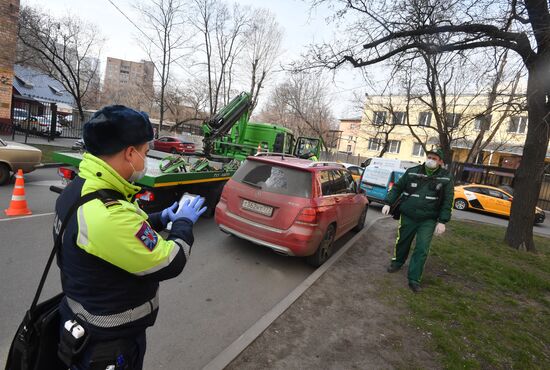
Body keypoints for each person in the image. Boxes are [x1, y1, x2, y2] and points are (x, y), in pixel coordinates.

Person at [54, 105, 207, 369]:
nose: (145, 161)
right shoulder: (108, 213)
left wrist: (160, 218)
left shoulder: (80, 189)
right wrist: (183, 222)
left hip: (81, 320)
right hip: (107, 341)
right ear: (130, 153)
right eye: (145, 153)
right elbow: (170, 261)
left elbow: (118, 239)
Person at [381, 148, 453, 293]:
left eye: (434, 158)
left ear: (440, 162)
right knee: (403, 241)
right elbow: (397, 187)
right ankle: (397, 262)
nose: (431, 160)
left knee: (422, 248)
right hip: (408, 215)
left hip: (428, 219)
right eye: (429, 157)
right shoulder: (412, 171)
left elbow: (448, 200)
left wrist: (443, 221)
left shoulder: (446, 177)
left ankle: (414, 279)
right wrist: (388, 202)